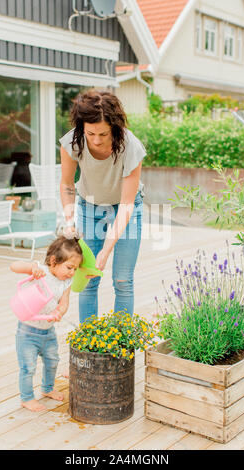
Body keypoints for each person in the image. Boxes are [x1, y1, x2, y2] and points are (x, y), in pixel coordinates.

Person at [59, 90, 146, 324]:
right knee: (87, 277)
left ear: (114, 128)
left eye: (103, 133)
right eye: (91, 133)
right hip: (89, 206)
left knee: (122, 280)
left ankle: (121, 342)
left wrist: (106, 251)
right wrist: (69, 223)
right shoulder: (72, 142)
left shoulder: (131, 147)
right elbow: (67, 185)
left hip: (125, 207)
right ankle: (90, 340)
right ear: (82, 127)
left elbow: (127, 203)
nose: (96, 140)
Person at [10, 236, 82, 412]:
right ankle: (27, 398)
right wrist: (31, 268)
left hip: (48, 331)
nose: (72, 272)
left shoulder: (66, 282)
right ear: (53, 261)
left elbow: (64, 302)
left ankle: (47, 388)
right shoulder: (41, 271)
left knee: (52, 361)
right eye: (69, 267)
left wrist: (59, 312)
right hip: (28, 331)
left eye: (75, 269)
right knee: (28, 367)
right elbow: (13, 266)